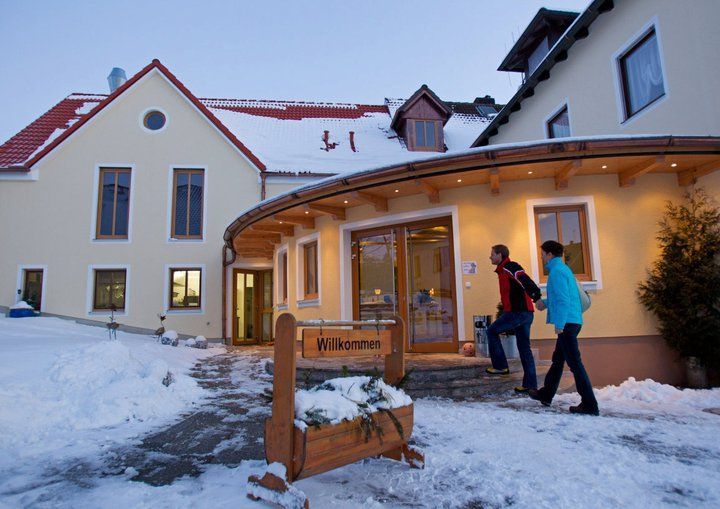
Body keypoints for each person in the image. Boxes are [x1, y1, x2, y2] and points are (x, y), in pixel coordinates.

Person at [529, 240, 599, 416]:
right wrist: (544, 303)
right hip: (572, 320)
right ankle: (546, 394)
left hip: (567, 323)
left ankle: (590, 404)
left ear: (550, 254)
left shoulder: (557, 272)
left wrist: (559, 324)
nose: (542, 257)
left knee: (575, 364)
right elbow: (562, 296)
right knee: (558, 360)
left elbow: (563, 300)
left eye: (543, 254)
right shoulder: (563, 269)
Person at [486, 244, 542, 394]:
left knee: (491, 331)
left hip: (517, 312)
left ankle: (500, 366)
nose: (490, 257)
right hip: (525, 313)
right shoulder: (502, 270)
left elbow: (524, 279)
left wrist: (536, 295)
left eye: (492, 254)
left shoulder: (510, 267)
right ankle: (530, 385)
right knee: (524, 348)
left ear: (500, 255)